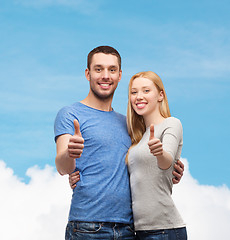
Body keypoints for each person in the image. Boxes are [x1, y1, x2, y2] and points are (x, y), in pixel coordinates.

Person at [54, 46, 184, 240]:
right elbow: (62, 166)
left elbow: (145, 161)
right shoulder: (70, 114)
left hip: (130, 230)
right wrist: (69, 154)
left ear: (120, 75)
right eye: (98, 69)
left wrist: (172, 167)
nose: (105, 75)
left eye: (112, 70)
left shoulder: (131, 125)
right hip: (87, 227)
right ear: (87, 74)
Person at [126, 71, 187, 239]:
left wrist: (159, 153)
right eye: (134, 92)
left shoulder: (171, 124)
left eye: (146, 91)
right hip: (137, 231)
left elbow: (166, 161)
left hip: (165, 230)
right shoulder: (137, 138)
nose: (139, 96)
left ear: (160, 95)